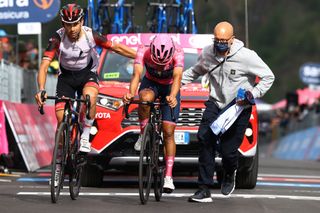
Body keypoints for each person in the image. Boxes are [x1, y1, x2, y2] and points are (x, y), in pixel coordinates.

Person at [182, 21, 275, 202]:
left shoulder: (247, 56)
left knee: (228, 150)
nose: (220, 43)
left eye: (224, 40)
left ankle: (229, 172)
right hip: (215, 102)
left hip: (237, 107)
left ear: (232, 40)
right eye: (217, 39)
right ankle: (204, 188)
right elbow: (195, 71)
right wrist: (174, 84)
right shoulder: (208, 52)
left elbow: (268, 76)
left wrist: (253, 93)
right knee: (204, 138)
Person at [35, 4, 136, 155]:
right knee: (62, 120)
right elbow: (43, 66)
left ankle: (85, 135)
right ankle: (58, 163)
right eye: (68, 25)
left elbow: (117, 48)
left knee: (90, 96)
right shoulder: (57, 38)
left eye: (75, 24)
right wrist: (41, 89)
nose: (72, 29)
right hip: (66, 79)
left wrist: (141, 56)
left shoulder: (91, 35)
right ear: (63, 24)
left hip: (87, 74)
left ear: (82, 21)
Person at [123, 34, 184, 193]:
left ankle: (169, 177)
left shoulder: (178, 52)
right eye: (156, 63)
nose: (159, 67)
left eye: (163, 64)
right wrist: (131, 93)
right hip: (151, 83)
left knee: (168, 131)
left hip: (170, 86)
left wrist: (173, 96)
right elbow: (136, 75)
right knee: (144, 99)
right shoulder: (143, 50)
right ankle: (143, 134)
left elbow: (177, 77)